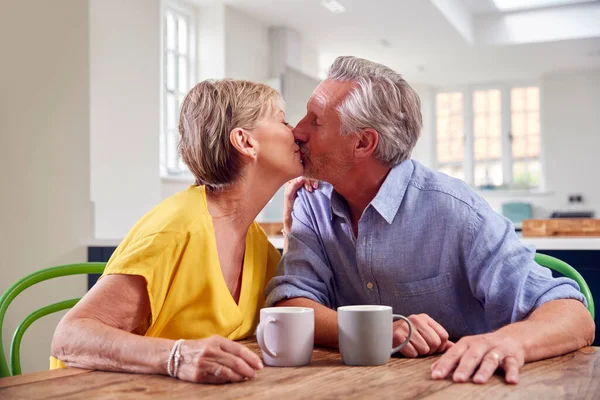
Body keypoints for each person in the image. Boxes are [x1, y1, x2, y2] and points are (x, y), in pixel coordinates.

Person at [267, 56, 595, 384]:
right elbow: (292, 302)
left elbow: (574, 317)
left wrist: (505, 342)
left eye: (316, 121)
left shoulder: (456, 211)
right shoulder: (310, 200)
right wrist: (377, 331)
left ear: (363, 143)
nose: (297, 131)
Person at [50, 79, 305, 384]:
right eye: (283, 120)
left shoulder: (256, 242)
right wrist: (178, 356)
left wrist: (295, 229)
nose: (297, 133)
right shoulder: (176, 229)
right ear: (246, 142)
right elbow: (70, 337)